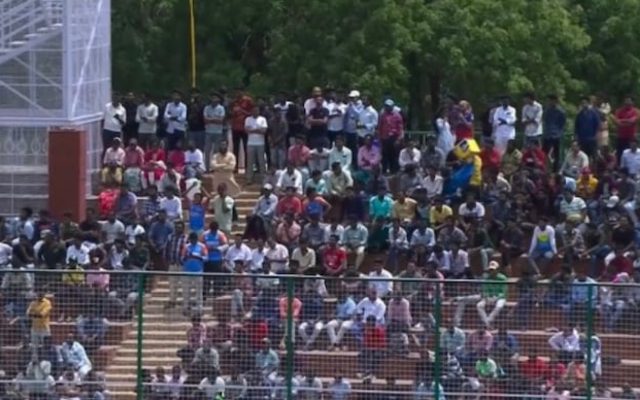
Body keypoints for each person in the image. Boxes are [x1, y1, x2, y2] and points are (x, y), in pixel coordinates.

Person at [180, 232, 208, 314]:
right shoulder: (186, 247)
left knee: (199, 291)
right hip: (187, 271)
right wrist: (186, 257)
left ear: (196, 239)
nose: (193, 241)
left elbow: (206, 258)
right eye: (191, 240)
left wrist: (198, 256)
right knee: (186, 291)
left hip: (198, 271)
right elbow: (181, 258)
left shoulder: (202, 246)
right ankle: (186, 308)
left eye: (194, 240)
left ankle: (199, 309)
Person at [245, 105, 268, 184]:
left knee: (261, 162)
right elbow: (247, 130)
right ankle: (249, 179)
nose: (255, 112)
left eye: (256, 110)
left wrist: (253, 130)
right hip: (250, 143)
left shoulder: (263, 119)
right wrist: (258, 129)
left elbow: (264, 131)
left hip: (260, 143)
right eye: (253, 110)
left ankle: (263, 179)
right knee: (250, 162)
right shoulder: (248, 119)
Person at [543, 94, 566, 171]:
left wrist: (559, 133)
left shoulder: (560, 111)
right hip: (547, 134)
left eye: (551, 101)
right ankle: (545, 168)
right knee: (544, 153)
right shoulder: (547, 110)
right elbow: (545, 121)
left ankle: (555, 170)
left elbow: (562, 123)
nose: (550, 102)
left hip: (556, 135)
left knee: (557, 155)